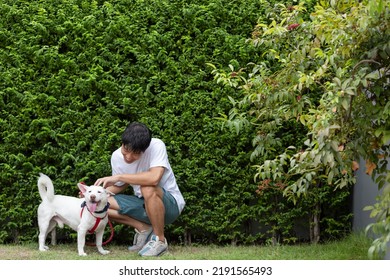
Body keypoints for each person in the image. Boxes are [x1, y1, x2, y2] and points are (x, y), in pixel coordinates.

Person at [94, 121, 185, 257]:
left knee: (147, 188)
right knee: (97, 204)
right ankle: (144, 228)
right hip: (143, 204)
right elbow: (121, 186)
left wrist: (119, 177)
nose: (129, 157)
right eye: (126, 150)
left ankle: (160, 241)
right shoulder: (116, 156)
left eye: (135, 153)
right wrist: (92, 195)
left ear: (145, 149)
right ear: (122, 143)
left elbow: (154, 178)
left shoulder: (156, 145)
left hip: (170, 205)